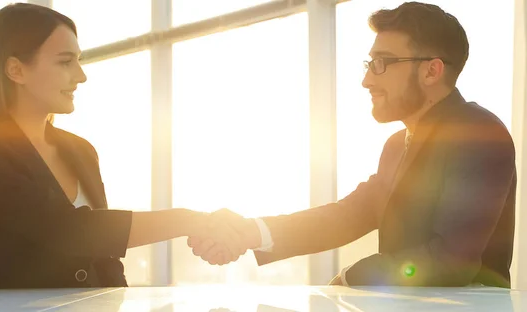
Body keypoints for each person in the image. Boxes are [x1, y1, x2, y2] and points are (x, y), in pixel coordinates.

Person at [188, 1, 516, 288]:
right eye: (369, 64)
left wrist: (350, 276)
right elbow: (347, 216)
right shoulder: (396, 145)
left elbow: (450, 262)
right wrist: (250, 231)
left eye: (382, 63)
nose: (367, 80)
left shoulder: (480, 134)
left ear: (431, 71)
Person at [0, 3, 246, 289]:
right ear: (16, 70)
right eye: (66, 62)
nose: (80, 76)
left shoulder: (80, 150)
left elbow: (105, 258)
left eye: (78, 61)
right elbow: (69, 232)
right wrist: (191, 220)